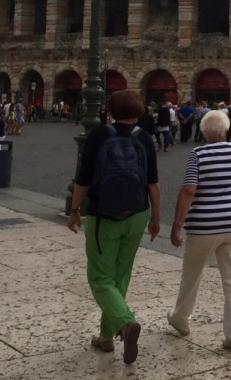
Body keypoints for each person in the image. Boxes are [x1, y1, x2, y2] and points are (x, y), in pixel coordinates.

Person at [67, 90, 161, 365]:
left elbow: (83, 180)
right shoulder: (144, 138)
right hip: (137, 213)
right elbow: (153, 183)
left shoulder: (99, 136)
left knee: (100, 278)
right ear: (139, 111)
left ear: (110, 110)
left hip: (104, 216)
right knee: (120, 276)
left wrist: (74, 210)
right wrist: (155, 218)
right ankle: (106, 337)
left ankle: (125, 323)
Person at [168, 108, 231, 351]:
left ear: (203, 131)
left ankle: (181, 318)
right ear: (226, 130)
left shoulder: (198, 154)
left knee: (192, 274)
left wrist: (177, 224)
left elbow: (189, 190)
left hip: (205, 225)